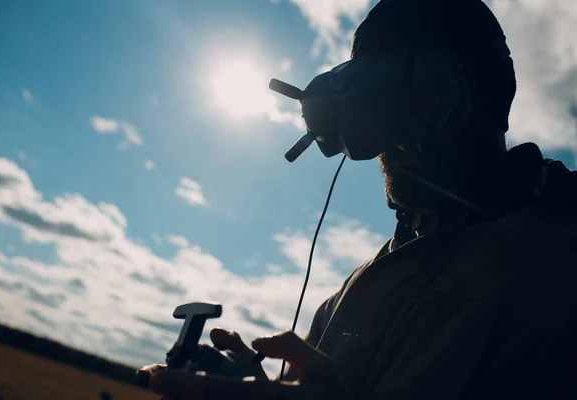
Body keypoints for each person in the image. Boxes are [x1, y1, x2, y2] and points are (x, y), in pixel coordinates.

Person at [137, 0, 577, 398]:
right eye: (379, 113)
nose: (399, 143)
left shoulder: (559, 260)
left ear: (490, 96)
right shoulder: (350, 296)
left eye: (422, 104)